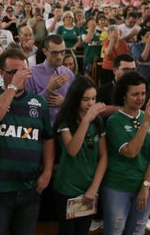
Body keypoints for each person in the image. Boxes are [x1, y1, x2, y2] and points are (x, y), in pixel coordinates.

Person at [0, 48, 54, 235]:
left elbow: (47, 138)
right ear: (2, 73)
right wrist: (12, 88)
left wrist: (47, 172)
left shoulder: (39, 103)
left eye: (24, 71)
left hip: (29, 187)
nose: (20, 76)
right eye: (14, 72)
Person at [102, 72, 150, 235]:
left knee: (137, 231)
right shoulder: (115, 121)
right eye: (135, 94)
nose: (141, 98)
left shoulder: (149, 119)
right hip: (118, 186)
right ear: (123, 96)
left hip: (144, 187)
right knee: (115, 230)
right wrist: (146, 122)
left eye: (143, 93)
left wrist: (145, 186)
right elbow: (131, 151)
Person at [53, 76, 108, 235]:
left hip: (89, 187)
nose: (91, 104)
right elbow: (72, 150)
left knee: (83, 231)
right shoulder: (66, 120)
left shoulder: (97, 121)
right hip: (67, 188)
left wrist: (94, 188)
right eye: (85, 99)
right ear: (76, 98)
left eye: (93, 99)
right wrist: (85, 121)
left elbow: (103, 157)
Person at [27, 34, 75, 125]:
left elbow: (76, 103)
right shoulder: (32, 74)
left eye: (62, 52)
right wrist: (48, 90)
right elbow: (28, 105)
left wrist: (65, 102)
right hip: (39, 127)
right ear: (45, 52)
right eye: (55, 53)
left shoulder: (69, 74)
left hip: (63, 128)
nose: (59, 57)